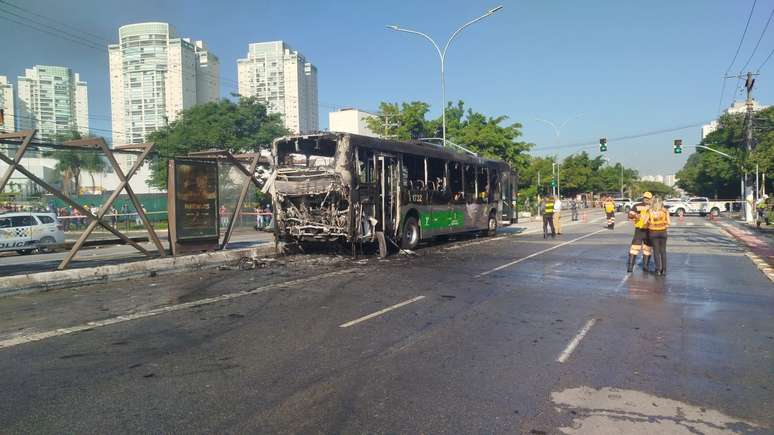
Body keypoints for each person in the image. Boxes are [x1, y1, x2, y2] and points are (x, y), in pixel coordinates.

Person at [643, 196, 671, 276]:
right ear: (661, 202)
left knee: (656, 251)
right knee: (663, 251)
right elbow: (669, 222)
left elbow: (645, 222)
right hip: (663, 232)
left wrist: (649, 221)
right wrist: (664, 224)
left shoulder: (650, 211)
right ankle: (664, 270)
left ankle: (658, 270)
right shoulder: (665, 211)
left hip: (653, 233)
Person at [627, 192, 653, 272]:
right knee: (635, 248)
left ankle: (645, 266)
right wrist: (635, 215)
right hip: (640, 230)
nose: (646, 199)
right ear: (643, 197)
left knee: (647, 249)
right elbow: (630, 215)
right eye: (645, 198)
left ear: (651, 199)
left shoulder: (653, 207)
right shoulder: (637, 206)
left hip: (648, 230)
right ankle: (630, 266)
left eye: (648, 198)